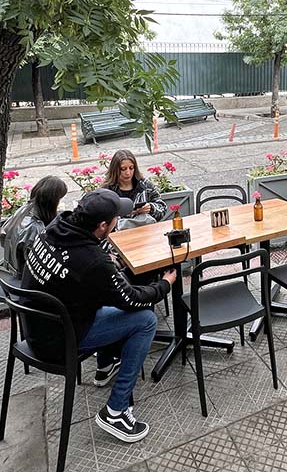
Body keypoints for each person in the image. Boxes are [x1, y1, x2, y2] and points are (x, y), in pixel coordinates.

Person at [21, 188, 176, 443]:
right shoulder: (93, 262)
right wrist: (165, 285)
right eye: (116, 218)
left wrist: (107, 262)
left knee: (106, 301)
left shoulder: (55, 228)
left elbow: (85, 273)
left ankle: (104, 366)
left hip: (37, 327)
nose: (118, 221)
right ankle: (115, 411)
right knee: (145, 319)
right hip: (59, 341)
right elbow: (130, 299)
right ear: (103, 226)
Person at [0, 175, 68, 279]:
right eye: (59, 199)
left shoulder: (24, 209)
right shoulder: (35, 228)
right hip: (25, 277)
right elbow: (40, 265)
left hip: (12, 266)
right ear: (52, 202)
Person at [101, 150, 166, 230]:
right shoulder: (106, 190)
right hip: (118, 236)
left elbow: (163, 208)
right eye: (123, 169)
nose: (128, 173)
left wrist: (151, 208)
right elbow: (101, 221)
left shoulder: (145, 185)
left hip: (145, 232)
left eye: (131, 168)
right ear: (115, 170)